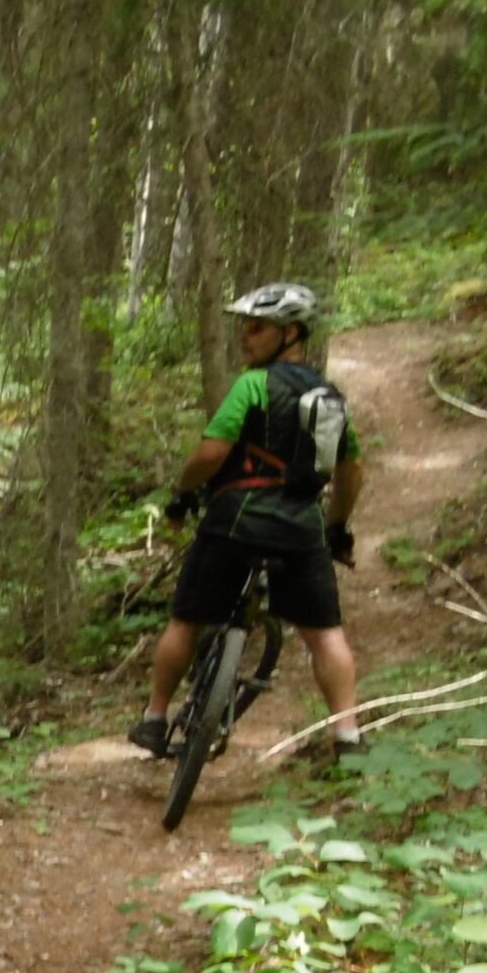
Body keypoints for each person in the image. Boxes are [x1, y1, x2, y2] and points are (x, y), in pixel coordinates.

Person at [129, 282, 366, 766]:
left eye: (256, 328)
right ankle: (348, 735)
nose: (245, 337)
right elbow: (351, 471)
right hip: (301, 526)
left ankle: (154, 719)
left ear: (290, 333)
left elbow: (211, 453)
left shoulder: (253, 385)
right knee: (325, 634)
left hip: (235, 520)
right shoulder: (331, 397)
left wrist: (181, 494)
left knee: (187, 619)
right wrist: (337, 527)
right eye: (244, 327)